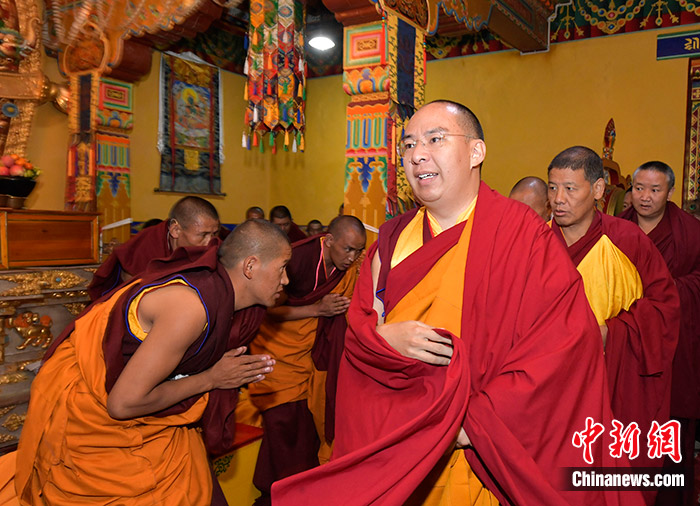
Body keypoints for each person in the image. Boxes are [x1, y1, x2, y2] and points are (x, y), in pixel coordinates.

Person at [273, 101, 643, 506]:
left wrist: (476, 422)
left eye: (435, 139)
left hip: (482, 443)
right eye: (409, 144)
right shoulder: (392, 240)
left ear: (475, 152)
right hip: (404, 441)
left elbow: (565, 346)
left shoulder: (523, 236)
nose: (417, 154)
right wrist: (384, 340)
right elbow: (361, 333)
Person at [0, 219, 291, 505]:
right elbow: (122, 403)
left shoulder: (222, 297)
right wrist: (213, 379)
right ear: (250, 266)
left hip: (152, 418)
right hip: (97, 420)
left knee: (197, 487)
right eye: (282, 268)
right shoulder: (189, 308)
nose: (286, 279)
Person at [548, 147, 680, 502]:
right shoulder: (536, 242)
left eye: (570, 189)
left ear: (597, 190)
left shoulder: (627, 239)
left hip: (615, 377)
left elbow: (665, 306)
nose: (559, 200)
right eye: (552, 188)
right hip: (550, 383)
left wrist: (614, 332)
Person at [249, 215, 366, 506]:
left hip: (312, 353)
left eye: (358, 251)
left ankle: (299, 488)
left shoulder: (346, 269)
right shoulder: (296, 260)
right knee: (283, 419)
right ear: (328, 241)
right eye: (347, 249)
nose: (351, 258)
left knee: (309, 422)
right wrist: (318, 309)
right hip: (279, 352)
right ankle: (276, 490)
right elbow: (266, 309)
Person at [621, 161, 700, 506]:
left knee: (671, 435)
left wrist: (658, 296)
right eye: (639, 189)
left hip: (675, 347)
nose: (646, 197)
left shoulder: (690, 233)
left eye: (655, 190)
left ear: (669, 192)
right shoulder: (614, 228)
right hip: (626, 346)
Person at [88, 196, 221, 300]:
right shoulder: (146, 244)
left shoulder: (215, 246)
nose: (210, 242)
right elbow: (133, 293)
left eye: (214, 233)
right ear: (175, 230)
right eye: (203, 235)